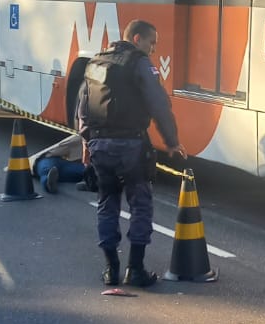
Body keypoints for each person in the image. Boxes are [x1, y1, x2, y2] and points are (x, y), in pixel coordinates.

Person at [76, 19, 185, 288]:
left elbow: (82, 108)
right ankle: (135, 269)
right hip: (131, 146)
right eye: (151, 43)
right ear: (137, 39)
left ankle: (111, 268)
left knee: (107, 204)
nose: (153, 49)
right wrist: (172, 141)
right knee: (140, 204)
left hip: (100, 145)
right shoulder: (139, 63)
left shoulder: (96, 61)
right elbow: (158, 103)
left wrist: (86, 143)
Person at [32, 131, 97, 193]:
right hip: (50, 157)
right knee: (47, 168)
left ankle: (92, 181)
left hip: (69, 162)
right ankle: (47, 183)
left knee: (86, 171)